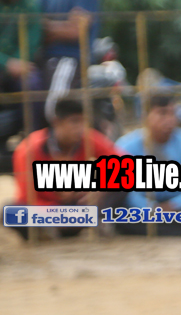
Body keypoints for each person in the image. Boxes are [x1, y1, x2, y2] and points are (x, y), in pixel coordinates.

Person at [10, 99, 124, 238]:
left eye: (84, 122)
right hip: (47, 210)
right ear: (56, 122)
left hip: (79, 206)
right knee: (11, 211)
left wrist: (101, 188)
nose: (80, 128)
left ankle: (89, 222)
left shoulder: (87, 138)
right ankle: (51, 229)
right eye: (75, 121)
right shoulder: (28, 150)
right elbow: (26, 198)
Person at [113, 91, 181, 235]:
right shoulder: (126, 146)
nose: (170, 119)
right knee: (120, 211)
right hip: (143, 208)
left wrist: (174, 205)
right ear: (145, 117)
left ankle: (172, 230)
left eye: (172, 113)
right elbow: (127, 192)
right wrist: (152, 208)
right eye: (162, 113)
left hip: (180, 207)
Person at [37, 0, 101, 117]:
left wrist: (47, 26)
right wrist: (61, 26)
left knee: (55, 108)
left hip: (73, 59)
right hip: (45, 59)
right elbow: (35, 32)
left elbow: (76, 31)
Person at [0, 0, 45, 130]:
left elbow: (32, 40)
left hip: (21, 66)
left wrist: (19, 62)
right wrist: (6, 63)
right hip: (4, 64)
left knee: (33, 84)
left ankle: (32, 137)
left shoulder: (30, 7)